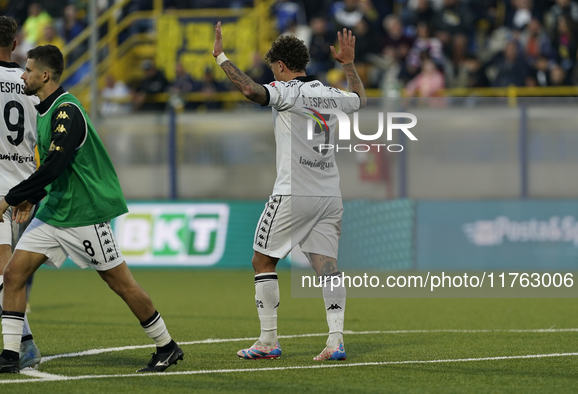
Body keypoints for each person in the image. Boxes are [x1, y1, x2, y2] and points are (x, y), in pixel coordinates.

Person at [0, 45, 183, 374]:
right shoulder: (45, 109)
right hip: (56, 210)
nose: (22, 75)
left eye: (27, 70)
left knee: (120, 284)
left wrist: (10, 198)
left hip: (85, 214)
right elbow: (56, 172)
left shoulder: (66, 111)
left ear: (44, 75)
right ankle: (11, 355)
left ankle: (167, 346)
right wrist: (32, 196)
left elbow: (55, 165)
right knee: (13, 274)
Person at [212, 22, 366, 360]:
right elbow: (360, 99)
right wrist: (349, 65)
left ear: (281, 66)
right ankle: (335, 340)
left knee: (263, 260)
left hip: (293, 192)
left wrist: (221, 57)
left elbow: (252, 92)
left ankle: (268, 341)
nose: (274, 75)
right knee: (327, 267)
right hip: (329, 194)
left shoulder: (288, 91)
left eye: (274, 69)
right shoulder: (330, 94)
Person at [0, 15, 41, 371]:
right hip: (28, 191)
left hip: (0, 192)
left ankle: (22, 345)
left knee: (5, 273)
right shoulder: (30, 83)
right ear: (15, 45)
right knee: (12, 272)